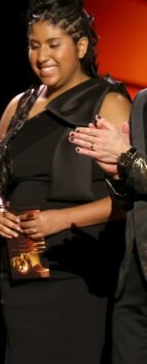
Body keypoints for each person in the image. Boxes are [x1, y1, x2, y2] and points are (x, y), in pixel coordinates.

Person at [0, 0, 132, 364]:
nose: (42, 56)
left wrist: (61, 219)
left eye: (53, 44)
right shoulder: (17, 106)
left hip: (80, 272)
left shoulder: (108, 102)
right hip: (22, 269)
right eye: (34, 45)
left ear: (80, 46)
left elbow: (132, 199)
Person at [71, 88, 147, 364]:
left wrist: (128, 158)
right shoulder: (143, 101)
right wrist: (118, 175)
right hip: (137, 279)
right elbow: (134, 196)